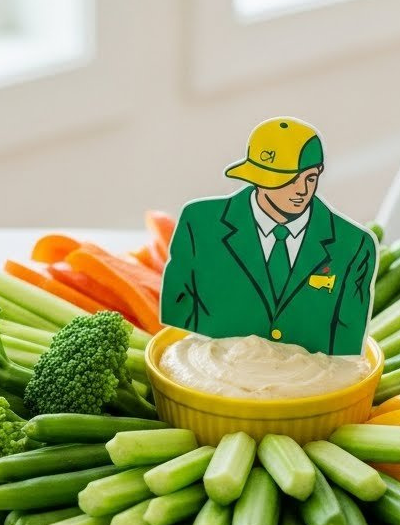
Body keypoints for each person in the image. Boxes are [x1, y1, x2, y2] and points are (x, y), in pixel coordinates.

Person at [160, 117, 378, 354]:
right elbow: (178, 309)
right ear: (258, 179)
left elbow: (348, 344)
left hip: (313, 386)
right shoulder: (200, 223)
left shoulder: (355, 244)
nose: (302, 190)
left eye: (310, 178)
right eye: (288, 179)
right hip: (209, 373)